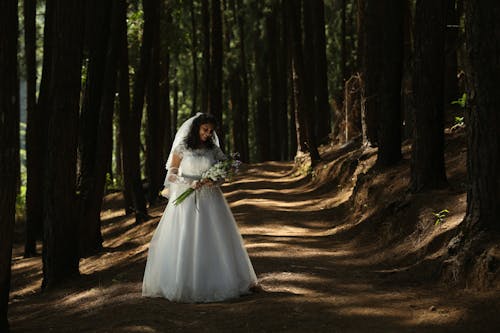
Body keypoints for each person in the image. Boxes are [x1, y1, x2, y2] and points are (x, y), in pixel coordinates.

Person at [142, 113, 258, 303]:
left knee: (213, 236)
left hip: (211, 198)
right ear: (196, 128)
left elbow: (225, 168)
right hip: (186, 197)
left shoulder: (213, 149)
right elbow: (170, 174)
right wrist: (187, 183)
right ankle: (184, 282)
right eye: (205, 129)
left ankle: (220, 279)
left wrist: (216, 179)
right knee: (187, 235)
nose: (207, 134)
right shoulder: (182, 148)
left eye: (211, 131)